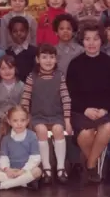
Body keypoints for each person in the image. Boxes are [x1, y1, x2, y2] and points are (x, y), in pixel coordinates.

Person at [66, 20, 110, 183]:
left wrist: (105, 109)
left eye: (95, 39)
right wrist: (85, 110)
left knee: (108, 127)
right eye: (87, 39)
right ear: (82, 41)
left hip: (107, 110)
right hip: (81, 111)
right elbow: (70, 93)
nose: (91, 43)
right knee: (85, 134)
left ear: (101, 41)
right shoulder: (75, 64)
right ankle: (95, 164)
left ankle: (90, 165)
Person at [20, 44, 72, 184]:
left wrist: (67, 120)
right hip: (38, 116)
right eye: (44, 57)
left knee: (58, 129)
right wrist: (25, 118)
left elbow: (66, 98)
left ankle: (61, 168)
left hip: (56, 115)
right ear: (37, 59)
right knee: (41, 131)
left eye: (51, 57)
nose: (48, 61)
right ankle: (47, 168)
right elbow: (25, 98)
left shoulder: (59, 76)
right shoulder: (32, 77)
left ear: (56, 59)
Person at [0, 106, 41, 191]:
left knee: (37, 171)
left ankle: (3, 185)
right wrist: (8, 170)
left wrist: (23, 171)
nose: (19, 124)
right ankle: (24, 183)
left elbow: (35, 158)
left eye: (22, 120)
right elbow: (4, 158)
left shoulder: (32, 136)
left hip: (26, 170)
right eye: (15, 121)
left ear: (27, 121)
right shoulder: (6, 139)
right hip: (11, 171)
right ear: (9, 121)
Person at [0, 55, 25, 169]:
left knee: (18, 125)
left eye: (10, 68)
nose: (7, 71)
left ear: (15, 69)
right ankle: (1, 157)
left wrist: (14, 117)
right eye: (3, 68)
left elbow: (22, 106)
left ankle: (17, 159)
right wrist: (4, 117)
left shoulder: (21, 85)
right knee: (2, 125)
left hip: (17, 117)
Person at [5, 16, 38, 82]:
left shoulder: (35, 51)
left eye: (22, 30)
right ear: (10, 33)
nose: (19, 34)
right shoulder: (7, 53)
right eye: (15, 31)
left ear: (27, 31)